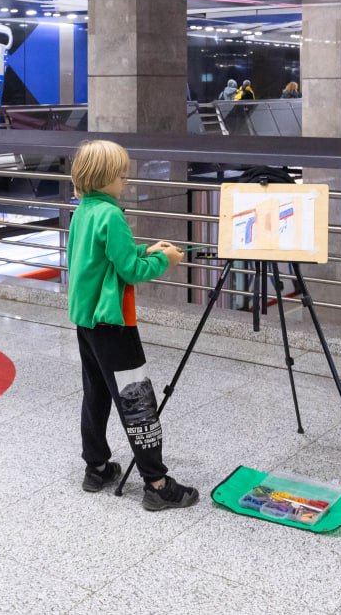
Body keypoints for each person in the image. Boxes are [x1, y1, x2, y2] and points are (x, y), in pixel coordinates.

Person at [67, 139, 197, 511]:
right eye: (121, 174)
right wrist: (165, 261)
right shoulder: (112, 215)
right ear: (103, 177)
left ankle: (96, 468)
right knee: (137, 401)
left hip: (87, 322)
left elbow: (105, 258)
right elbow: (130, 271)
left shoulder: (84, 211)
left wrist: (146, 249)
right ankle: (157, 484)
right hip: (114, 323)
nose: (126, 180)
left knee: (95, 394)